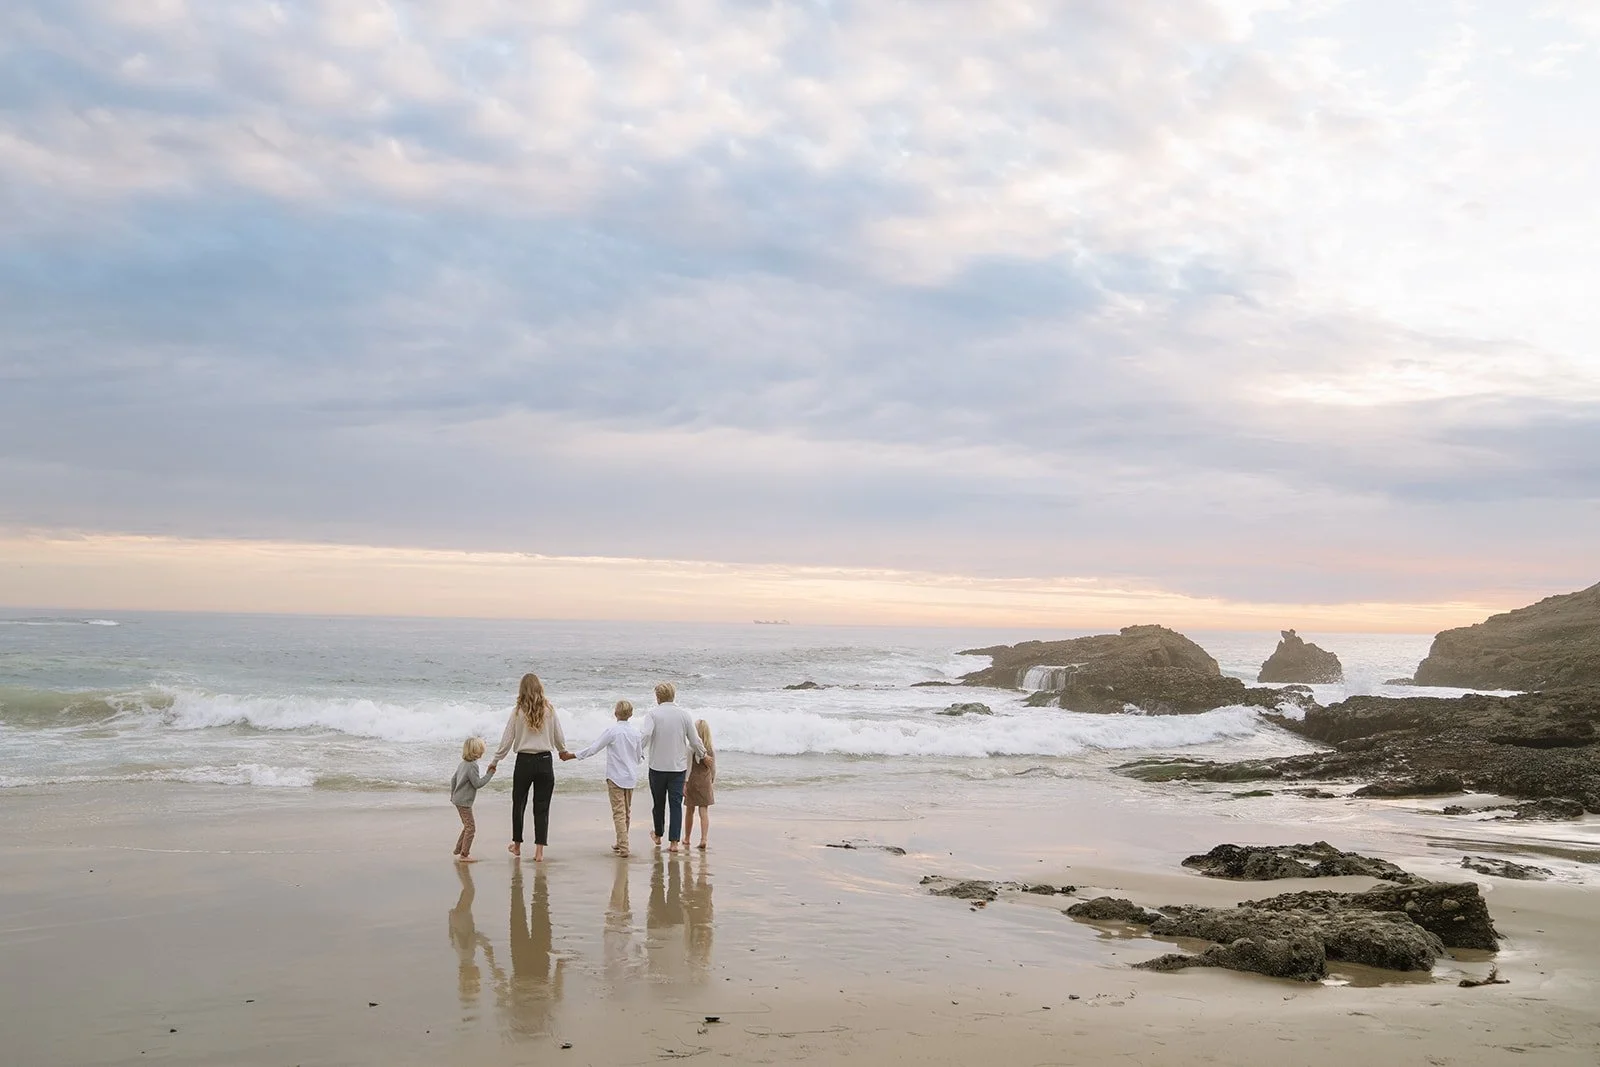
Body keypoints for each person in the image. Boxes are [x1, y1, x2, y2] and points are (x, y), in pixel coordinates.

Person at [488, 673, 571, 861]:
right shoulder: (549, 710)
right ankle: (539, 852)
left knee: (519, 804)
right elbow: (559, 734)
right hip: (545, 761)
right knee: (542, 807)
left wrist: (495, 761)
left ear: (522, 690)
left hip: (524, 762)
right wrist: (562, 751)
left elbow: (507, 739)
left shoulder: (518, 711)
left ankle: (517, 846)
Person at [565, 699, 644, 856]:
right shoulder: (635, 733)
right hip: (630, 777)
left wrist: (573, 755)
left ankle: (623, 845)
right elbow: (639, 756)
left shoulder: (612, 731)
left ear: (615, 713)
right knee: (626, 811)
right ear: (631, 714)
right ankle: (622, 841)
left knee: (618, 812)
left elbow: (594, 748)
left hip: (615, 776)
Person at [638, 681, 706, 853]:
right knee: (675, 804)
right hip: (678, 768)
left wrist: (637, 751)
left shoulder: (653, 714)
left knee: (658, 803)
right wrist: (703, 754)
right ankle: (674, 843)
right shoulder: (684, 715)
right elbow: (694, 739)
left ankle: (659, 835)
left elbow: (645, 735)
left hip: (657, 767)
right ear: (673, 695)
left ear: (657, 697)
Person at [450, 736, 495, 863]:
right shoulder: (472, 766)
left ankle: (459, 849)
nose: (482, 752)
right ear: (476, 752)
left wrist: (452, 795)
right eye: (481, 750)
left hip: (458, 799)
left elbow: (453, 779)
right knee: (471, 828)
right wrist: (489, 774)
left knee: (467, 826)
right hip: (464, 801)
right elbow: (477, 784)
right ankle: (464, 854)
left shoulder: (462, 764)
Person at [683, 719, 716, 851]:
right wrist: (712, 779)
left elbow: (688, 767)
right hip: (705, 782)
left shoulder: (691, 748)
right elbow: (713, 768)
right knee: (704, 811)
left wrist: (684, 783)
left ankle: (687, 838)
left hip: (692, 781)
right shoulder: (710, 750)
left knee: (689, 811)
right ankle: (704, 838)